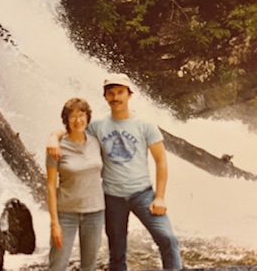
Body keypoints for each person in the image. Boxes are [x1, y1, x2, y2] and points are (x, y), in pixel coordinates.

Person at [47, 74, 182, 270]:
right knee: (117, 251)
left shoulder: (145, 125)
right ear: (105, 97)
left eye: (120, 92)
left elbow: (161, 161)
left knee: (167, 238)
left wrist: (159, 197)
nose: (115, 97)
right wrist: (53, 137)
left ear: (129, 95)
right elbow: (72, 126)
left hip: (142, 194)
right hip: (111, 197)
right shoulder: (97, 126)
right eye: (110, 94)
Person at [46, 97, 105, 271]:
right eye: (72, 116)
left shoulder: (97, 141)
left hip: (95, 212)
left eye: (82, 115)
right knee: (57, 265)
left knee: (89, 266)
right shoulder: (56, 148)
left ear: (87, 117)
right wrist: (54, 223)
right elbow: (50, 186)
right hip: (66, 214)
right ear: (66, 120)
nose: (78, 120)